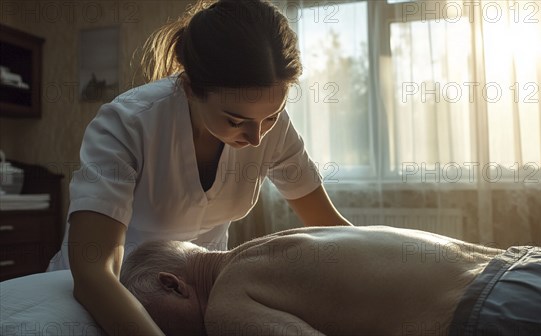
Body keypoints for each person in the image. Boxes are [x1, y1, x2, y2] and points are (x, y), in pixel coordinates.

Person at [47, 0, 351, 334]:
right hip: (113, 299)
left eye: (272, 116)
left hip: (200, 298)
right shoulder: (128, 124)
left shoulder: (269, 128)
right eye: (236, 121)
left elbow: (332, 230)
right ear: (191, 89)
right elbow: (94, 274)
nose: (256, 137)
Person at [121, 226, 541, 336]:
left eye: (146, 321)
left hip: (494, 315)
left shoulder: (226, 302)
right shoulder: (273, 243)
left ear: (173, 284)